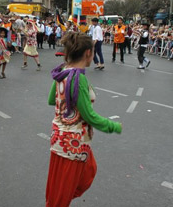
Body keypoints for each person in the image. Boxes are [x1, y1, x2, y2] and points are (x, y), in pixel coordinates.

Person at [46, 31, 122, 206]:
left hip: (61, 138)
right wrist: (115, 127)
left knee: (84, 173)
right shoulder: (78, 78)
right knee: (62, 195)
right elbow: (90, 116)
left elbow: (52, 100)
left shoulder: (63, 72)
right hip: (73, 142)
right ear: (88, 53)